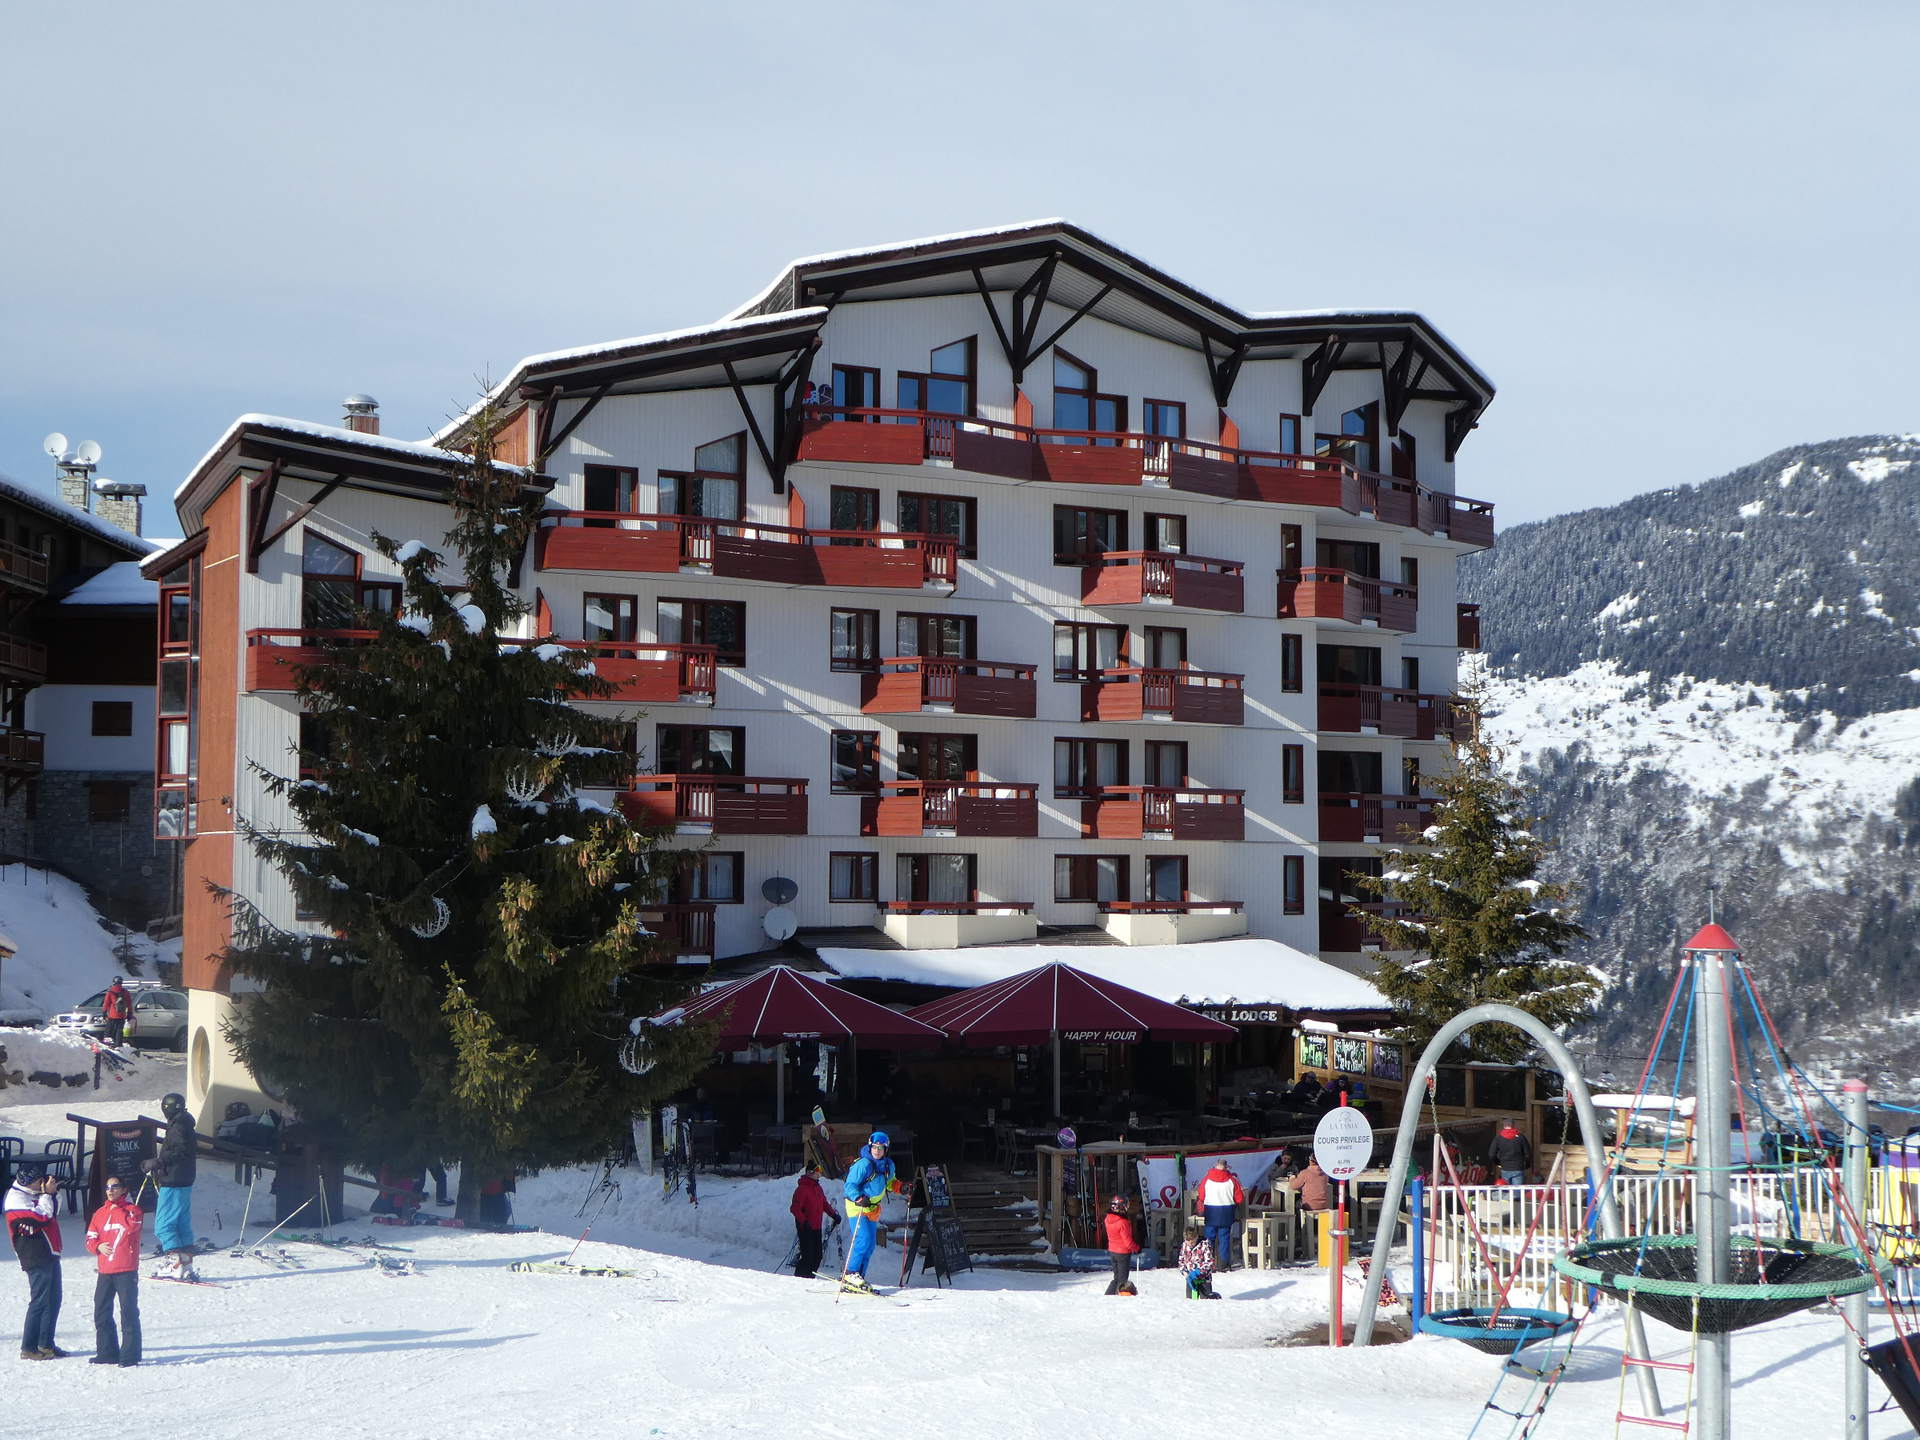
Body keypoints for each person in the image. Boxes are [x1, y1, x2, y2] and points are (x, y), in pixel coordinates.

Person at [5, 1165, 65, 1359]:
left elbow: (53, 1211)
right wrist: (47, 1195)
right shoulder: (15, 1200)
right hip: (34, 1255)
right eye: (35, 1183)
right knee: (39, 1301)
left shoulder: (38, 1193)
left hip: (50, 1251)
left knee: (53, 1300)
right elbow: (42, 1217)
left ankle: (46, 1344)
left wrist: (51, 1194)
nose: (38, 1185)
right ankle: (28, 1347)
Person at [85, 1176, 142, 1366]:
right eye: (107, 1187)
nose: (110, 1190)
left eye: (115, 1187)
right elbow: (90, 1237)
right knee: (101, 1311)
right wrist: (97, 1246)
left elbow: (130, 1227)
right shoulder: (99, 1213)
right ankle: (106, 1352)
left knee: (128, 1312)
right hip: (105, 1270)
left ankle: (130, 1355)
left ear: (124, 1189)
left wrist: (119, 1209)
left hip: (126, 1268)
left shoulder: (133, 1211)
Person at [143, 1091, 199, 1281]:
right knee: (181, 1223)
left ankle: (174, 1262)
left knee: (163, 1225)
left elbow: (179, 1150)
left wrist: (158, 1162)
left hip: (174, 1180)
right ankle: (185, 1263)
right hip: (184, 1179)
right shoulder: (184, 1122)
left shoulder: (178, 1125)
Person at [839, 1131, 903, 1294]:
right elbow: (850, 1186)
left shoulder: (888, 1165)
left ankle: (859, 1277)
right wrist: (858, 1198)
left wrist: (901, 1187)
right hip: (857, 1206)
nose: (877, 1151)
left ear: (886, 1149)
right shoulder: (863, 1164)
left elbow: (890, 1183)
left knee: (870, 1245)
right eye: (874, 1147)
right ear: (870, 1147)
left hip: (873, 1208)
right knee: (863, 1239)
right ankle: (850, 1274)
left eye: (881, 1148)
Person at [1195, 1157, 1244, 1272]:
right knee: (1224, 1238)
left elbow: (1201, 1196)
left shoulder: (1207, 1179)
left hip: (1211, 1212)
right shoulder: (1232, 1180)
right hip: (1226, 1212)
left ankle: (1208, 1262)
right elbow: (1239, 1198)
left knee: (1209, 1239)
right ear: (1226, 1168)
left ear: (1215, 1166)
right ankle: (1224, 1264)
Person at [788, 1164, 833, 1279]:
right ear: (809, 1172)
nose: (819, 1173)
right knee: (808, 1255)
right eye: (817, 1171)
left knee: (818, 1255)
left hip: (816, 1226)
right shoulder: (802, 1189)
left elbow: (824, 1204)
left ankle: (809, 1276)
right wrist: (804, 1221)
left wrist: (833, 1214)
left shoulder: (818, 1188)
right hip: (805, 1227)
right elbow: (795, 1208)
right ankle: (800, 1277)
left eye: (820, 1171)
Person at [1102, 1194, 1140, 1296]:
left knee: (1116, 1278)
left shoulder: (1108, 1219)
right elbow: (1127, 1242)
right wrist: (1137, 1248)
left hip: (1112, 1251)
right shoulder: (1123, 1222)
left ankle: (1108, 1295)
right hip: (1123, 1253)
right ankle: (1119, 1298)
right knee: (1122, 1280)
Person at [1177, 1215, 1220, 1299]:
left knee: (1205, 1299)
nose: (1190, 1244)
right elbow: (1181, 1262)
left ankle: (1215, 1296)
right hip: (1191, 1279)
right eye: (1188, 1242)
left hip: (1203, 1279)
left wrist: (1198, 1272)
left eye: (1192, 1242)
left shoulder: (1205, 1244)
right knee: (1191, 1300)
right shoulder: (1185, 1246)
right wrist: (1186, 1274)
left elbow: (1210, 1262)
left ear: (1196, 1237)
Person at [100, 977, 133, 1048]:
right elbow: (129, 1004)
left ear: (114, 982)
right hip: (122, 1015)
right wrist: (129, 1013)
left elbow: (106, 1003)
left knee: (108, 1030)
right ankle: (118, 1045)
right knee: (119, 1031)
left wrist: (104, 1012)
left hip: (112, 1015)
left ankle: (107, 1044)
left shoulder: (110, 991)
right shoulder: (125, 992)